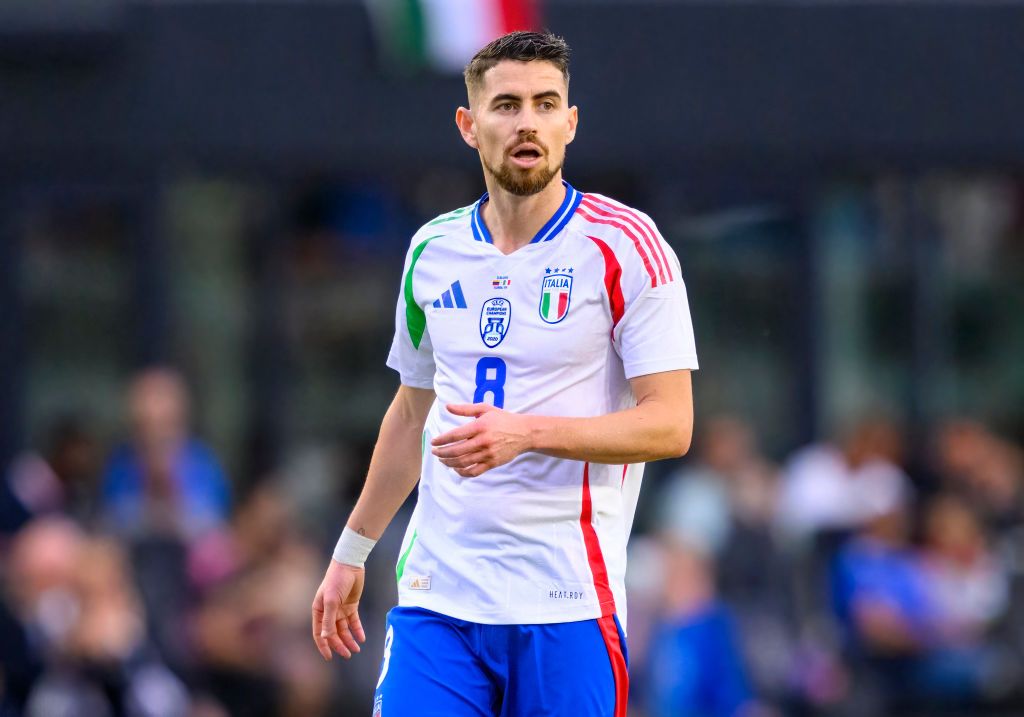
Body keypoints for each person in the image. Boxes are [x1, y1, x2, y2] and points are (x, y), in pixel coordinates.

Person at [310, 31, 698, 717]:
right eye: (508, 105)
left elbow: (670, 422)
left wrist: (527, 433)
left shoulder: (626, 246)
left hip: (567, 601)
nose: (528, 123)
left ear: (570, 123)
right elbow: (410, 412)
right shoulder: (432, 250)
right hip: (441, 597)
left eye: (547, 105)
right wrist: (352, 549)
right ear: (469, 125)